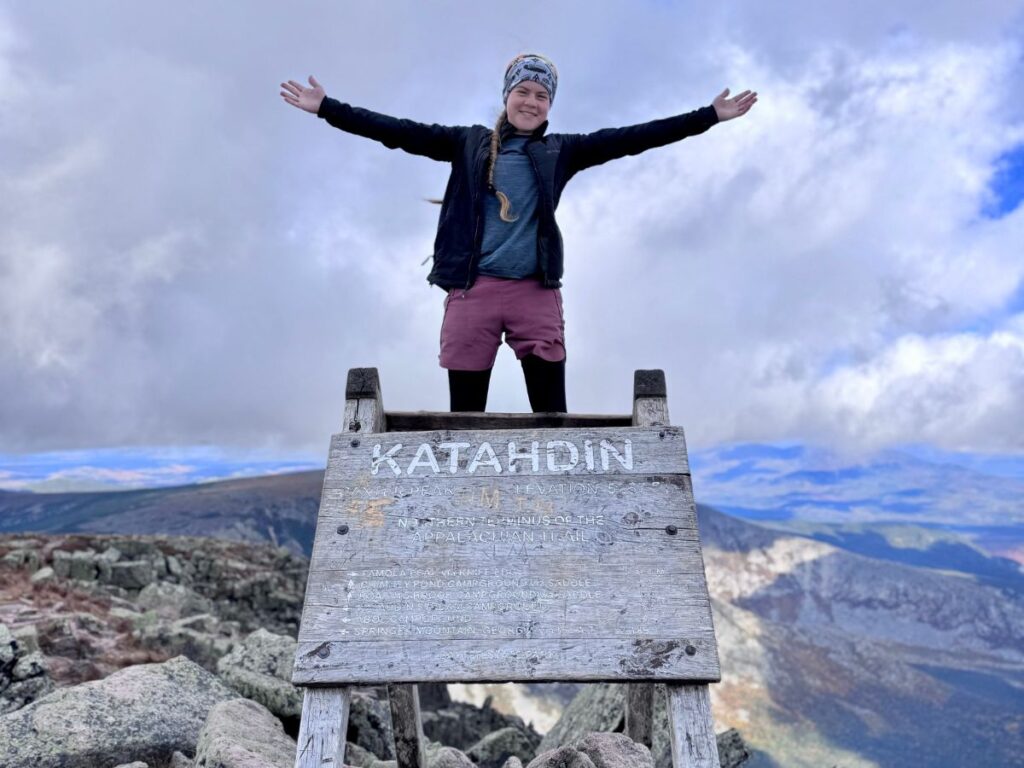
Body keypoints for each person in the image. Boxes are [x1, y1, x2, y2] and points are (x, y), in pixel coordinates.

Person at [280, 54, 756, 413]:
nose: (531, 102)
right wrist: (327, 108)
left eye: (542, 96)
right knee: (465, 422)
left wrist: (708, 115)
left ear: (550, 106)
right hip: (473, 292)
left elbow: (635, 137)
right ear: (507, 96)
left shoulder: (561, 151)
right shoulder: (466, 142)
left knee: (552, 419)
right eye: (523, 91)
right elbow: (396, 131)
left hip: (535, 293)